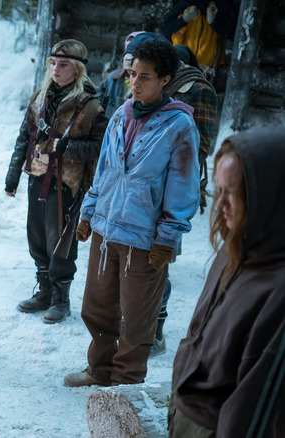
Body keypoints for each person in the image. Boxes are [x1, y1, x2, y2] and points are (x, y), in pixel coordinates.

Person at [64, 40, 200, 387]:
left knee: (138, 319)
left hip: (144, 238)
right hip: (106, 231)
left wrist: (167, 239)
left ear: (165, 80)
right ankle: (100, 371)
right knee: (96, 309)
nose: (135, 84)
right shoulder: (122, 113)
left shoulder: (179, 126)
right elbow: (105, 172)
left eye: (145, 77)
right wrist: (88, 213)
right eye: (131, 75)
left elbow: (183, 188)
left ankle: (126, 384)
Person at [170, 127, 285, 437]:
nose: (221, 204)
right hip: (187, 415)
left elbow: (255, 408)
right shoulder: (234, 248)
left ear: (272, 196)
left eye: (235, 192)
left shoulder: (278, 291)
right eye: (219, 189)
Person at [5, 39, 107, 324]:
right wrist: (13, 175)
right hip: (36, 176)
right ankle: (45, 292)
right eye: (52, 63)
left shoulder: (90, 105)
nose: (55, 69)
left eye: (63, 65)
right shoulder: (41, 95)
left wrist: (63, 148)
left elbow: (99, 147)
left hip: (66, 183)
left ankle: (61, 299)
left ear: (76, 70)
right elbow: (24, 137)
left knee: (60, 241)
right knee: (36, 237)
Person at [151, 44, 219, 357]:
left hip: (175, 183)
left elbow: (202, 142)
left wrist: (169, 151)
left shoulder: (200, 90)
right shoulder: (156, 83)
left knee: (160, 256)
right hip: (147, 181)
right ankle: (136, 321)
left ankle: (155, 328)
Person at [98, 32, 170, 116]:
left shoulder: (174, 117)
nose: (135, 83)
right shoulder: (113, 80)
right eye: (133, 73)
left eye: (144, 77)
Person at [160, 0, 237, 70]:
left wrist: (214, 24)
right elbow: (165, 28)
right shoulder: (186, 3)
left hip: (209, 69)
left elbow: (234, 35)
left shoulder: (222, 5)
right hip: (184, 64)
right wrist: (183, 20)